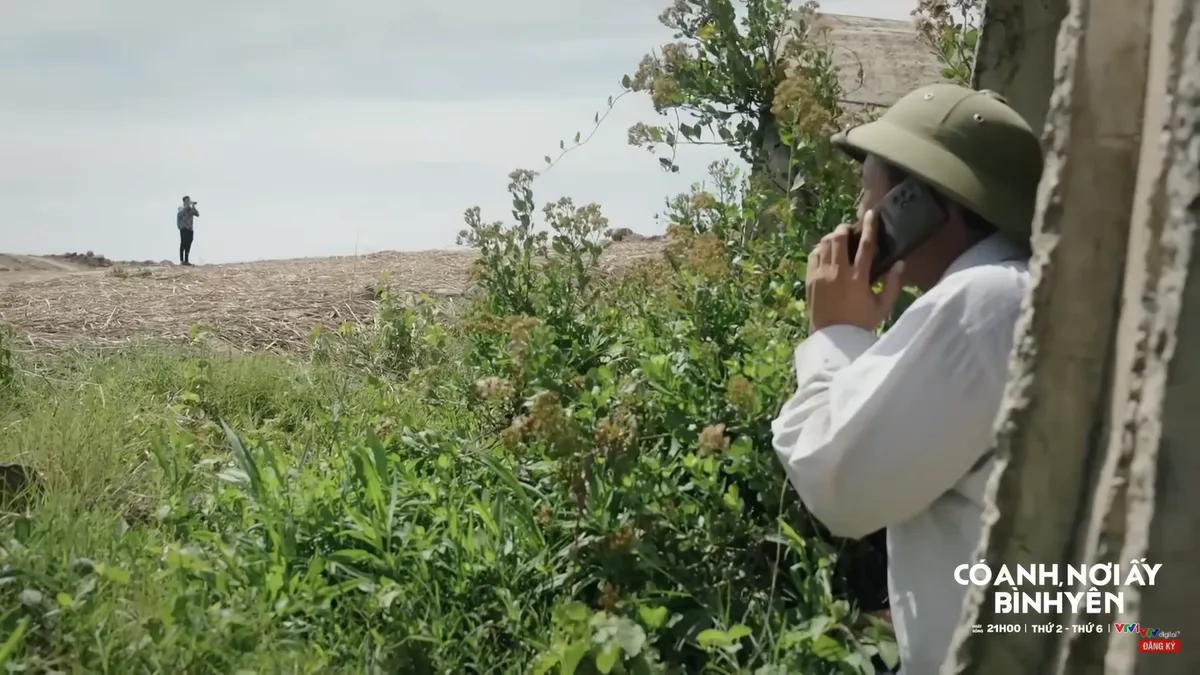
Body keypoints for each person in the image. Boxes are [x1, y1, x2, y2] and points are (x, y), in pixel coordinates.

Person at [770, 84, 1044, 674]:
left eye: (868, 192)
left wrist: (833, 334)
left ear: (916, 201)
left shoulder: (980, 305)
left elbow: (837, 485)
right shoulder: (1019, 292)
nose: (858, 217)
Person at [176, 195, 199, 265]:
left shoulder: (191, 209)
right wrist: (188, 206)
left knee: (189, 244)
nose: (189, 201)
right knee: (183, 243)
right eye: (187, 200)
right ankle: (181, 260)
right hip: (184, 228)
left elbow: (197, 214)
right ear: (184, 201)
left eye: (189, 200)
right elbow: (181, 214)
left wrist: (193, 206)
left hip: (190, 229)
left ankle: (186, 260)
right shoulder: (181, 208)